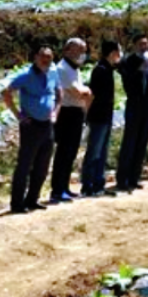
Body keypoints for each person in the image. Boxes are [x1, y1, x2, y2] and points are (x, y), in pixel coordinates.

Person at [3, 46, 62, 213]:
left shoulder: (52, 74)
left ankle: (32, 199)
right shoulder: (25, 76)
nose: (46, 60)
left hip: (47, 125)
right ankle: (17, 203)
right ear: (36, 57)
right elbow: (6, 93)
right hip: (31, 125)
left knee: (43, 165)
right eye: (43, 57)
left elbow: (59, 94)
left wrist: (55, 113)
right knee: (25, 165)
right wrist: (18, 115)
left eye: (49, 57)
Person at [52, 38, 93, 203]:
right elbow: (78, 93)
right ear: (67, 50)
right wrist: (87, 92)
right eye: (78, 50)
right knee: (64, 152)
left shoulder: (74, 68)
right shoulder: (62, 69)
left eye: (83, 50)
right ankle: (57, 189)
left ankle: (65, 186)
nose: (81, 54)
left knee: (71, 152)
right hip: (67, 113)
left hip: (76, 112)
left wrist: (86, 92)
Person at [80, 40, 121, 197]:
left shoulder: (109, 69)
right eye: (118, 52)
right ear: (112, 53)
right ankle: (87, 185)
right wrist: (87, 115)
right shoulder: (100, 70)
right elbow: (92, 96)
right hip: (97, 117)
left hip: (106, 117)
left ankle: (99, 184)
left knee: (102, 152)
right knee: (94, 152)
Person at [116, 35, 148, 193]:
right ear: (134, 45)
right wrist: (139, 68)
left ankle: (134, 177)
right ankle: (123, 179)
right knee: (130, 142)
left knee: (142, 142)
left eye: (146, 43)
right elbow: (127, 78)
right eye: (141, 44)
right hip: (134, 105)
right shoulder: (128, 61)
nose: (144, 47)